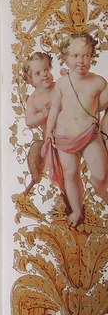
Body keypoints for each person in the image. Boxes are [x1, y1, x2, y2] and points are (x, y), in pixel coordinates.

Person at [44, 33, 108, 227]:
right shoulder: (62, 84)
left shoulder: (99, 82)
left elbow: (103, 106)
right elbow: (55, 108)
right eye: (75, 56)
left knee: (100, 175)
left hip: (90, 135)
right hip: (64, 137)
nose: (81, 61)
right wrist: (49, 131)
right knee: (71, 174)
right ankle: (77, 210)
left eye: (86, 55)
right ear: (65, 57)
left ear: (92, 56)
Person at [22, 50, 55, 196]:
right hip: (53, 140)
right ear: (30, 79)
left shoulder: (58, 87)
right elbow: (29, 121)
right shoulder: (33, 99)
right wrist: (43, 114)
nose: (44, 74)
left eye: (46, 69)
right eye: (38, 73)